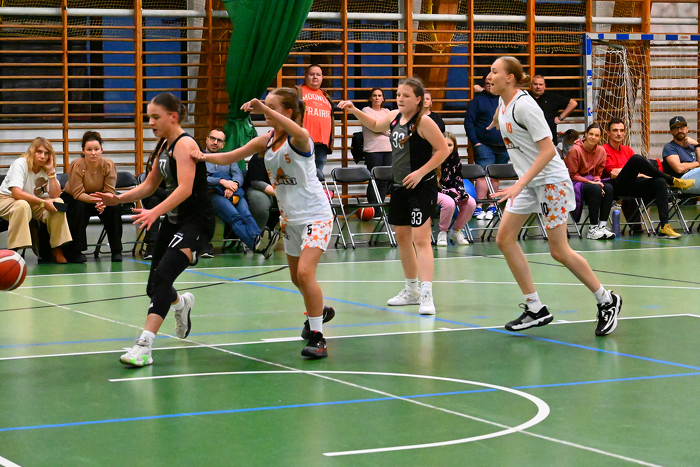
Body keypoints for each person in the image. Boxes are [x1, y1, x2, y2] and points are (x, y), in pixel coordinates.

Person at [192, 88, 335, 359]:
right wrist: (203, 157)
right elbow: (231, 156)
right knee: (296, 278)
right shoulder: (266, 140)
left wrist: (263, 107)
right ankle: (319, 310)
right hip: (290, 218)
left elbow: (297, 130)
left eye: (271, 107)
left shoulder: (301, 138)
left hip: (315, 215)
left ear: (287, 112)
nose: (264, 111)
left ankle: (318, 337)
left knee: (306, 273)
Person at [486, 56, 621, 336]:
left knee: (559, 250)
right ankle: (535, 307)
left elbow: (548, 150)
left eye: (494, 71)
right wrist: (497, 119)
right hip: (530, 182)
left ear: (510, 78)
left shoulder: (525, 106)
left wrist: (518, 184)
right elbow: (504, 114)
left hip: (550, 182)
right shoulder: (503, 101)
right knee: (504, 239)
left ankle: (606, 300)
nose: (489, 76)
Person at [94, 92, 218, 367]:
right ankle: (181, 304)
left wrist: (154, 211)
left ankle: (144, 345)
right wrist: (117, 199)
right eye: (148, 117)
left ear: (173, 117)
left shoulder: (185, 145)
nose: (149, 122)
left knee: (163, 276)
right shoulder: (164, 146)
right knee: (154, 287)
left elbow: (185, 189)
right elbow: (149, 185)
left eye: (155, 117)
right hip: (174, 221)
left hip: (196, 222)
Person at [339, 77, 450, 315]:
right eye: (398, 94)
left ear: (418, 99)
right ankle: (412, 290)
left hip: (421, 186)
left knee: (421, 239)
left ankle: (427, 293)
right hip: (399, 186)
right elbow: (375, 124)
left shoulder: (424, 122)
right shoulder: (393, 117)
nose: (400, 98)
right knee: (402, 237)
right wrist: (355, 110)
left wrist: (420, 173)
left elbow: (443, 150)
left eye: (406, 95)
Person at [603, 117, 694, 238]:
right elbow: (613, 172)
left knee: (659, 181)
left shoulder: (627, 150)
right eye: (615, 130)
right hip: (616, 187)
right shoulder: (603, 150)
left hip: (632, 185)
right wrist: (632, 170)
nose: (619, 133)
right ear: (608, 133)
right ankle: (671, 180)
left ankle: (664, 226)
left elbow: (637, 170)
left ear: (624, 133)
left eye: (621, 130)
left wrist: (634, 171)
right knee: (636, 159)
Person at [200, 128, 279, 259]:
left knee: (246, 214)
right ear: (207, 139)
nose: (215, 142)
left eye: (219, 140)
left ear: (223, 145)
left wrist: (234, 185)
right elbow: (200, 178)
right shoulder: (200, 158)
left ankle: (259, 242)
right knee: (235, 216)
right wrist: (221, 181)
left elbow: (238, 174)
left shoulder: (229, 157)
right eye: (213, 138)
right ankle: (256, 244)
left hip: (234, 192)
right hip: (213, 194)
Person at [0, 137, 72, 263]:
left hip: (34, 202)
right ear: (32, 152)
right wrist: (43, 203)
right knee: (22, 205)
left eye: (46, 153)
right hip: (7, 199)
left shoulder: (46, 168)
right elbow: (16, 193)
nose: (43, 156)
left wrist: (51, 172)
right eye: (39, 152)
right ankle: (14, 251)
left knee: (58, 204)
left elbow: (56, 195)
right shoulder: (20, 163)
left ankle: (57, 248)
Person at [60, 131, 123, 263]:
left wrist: (104, 202)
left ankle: (116, 250)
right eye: (89, 149)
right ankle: (75, 251)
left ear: (101, 150)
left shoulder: (108, 165)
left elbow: (109, 190)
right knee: (78, 208)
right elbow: (77, 193)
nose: (93, 153)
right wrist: (98, 201)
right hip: (77, 197)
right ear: (83, 151)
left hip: (100, 198)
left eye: (96, 149)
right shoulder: (77, 165)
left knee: (114, 207)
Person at [464, 75, 509, 220]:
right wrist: (475, 142)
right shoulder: (478, 101)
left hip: (503, 145)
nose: (489, 86)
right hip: (484, 144)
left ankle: (492, 205)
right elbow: (469, 122)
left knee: (495, 176)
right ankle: (478, 206)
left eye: (492, 83)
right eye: (487, 84)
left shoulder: (504, 99)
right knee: (482, 175)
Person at [565, 123, 615, 240]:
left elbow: (598, 174)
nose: (593, 137)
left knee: (608, 188)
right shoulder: (575, 150)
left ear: (600, 138)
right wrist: (593, 183)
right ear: (586, 134)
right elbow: (572, 175)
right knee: (595, 188)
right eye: (591, 134)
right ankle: (592, 228)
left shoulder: (601, 151)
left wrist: (597, 181)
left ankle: (602, 226)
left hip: (591, 181)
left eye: (596, 135)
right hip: (576, 183)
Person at [436, 132, 476, 247]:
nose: (447, 148)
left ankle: (456, 231)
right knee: (449, 203)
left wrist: (462, 192)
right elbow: (434, 184)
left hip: (450, 190)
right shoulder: (433, 158)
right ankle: (443, 232)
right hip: (434, 190)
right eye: (444, 144)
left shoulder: (456, 160)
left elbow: (458, 179)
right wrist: (449, 193)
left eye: (450, 145)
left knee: (471, 202)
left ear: (454, 147)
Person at [296, 64, 336, 171]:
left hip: (322, 143)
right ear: (305, 76)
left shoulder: (326, 96)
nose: (315, 77)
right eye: (312, 74)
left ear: (322, 77)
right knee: (302, 173)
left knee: (318, 175)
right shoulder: (297, 92)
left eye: (318, 75)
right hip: (303, 141)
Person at [361, 87, 392, 204]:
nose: (377, 98)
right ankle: (372, 208)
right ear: (370, 98)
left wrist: (382, 128)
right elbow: (374, 126)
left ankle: (379, 209)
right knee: (374, 179)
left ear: (383, 98)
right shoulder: (366, 111)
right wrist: (385, 129)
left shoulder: (387, 112)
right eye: (374, 95)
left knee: (384, 180)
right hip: (373, 150)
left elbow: (392, 127)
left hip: (388, 149)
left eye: (379, 95)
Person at [529, 74, 578, 145]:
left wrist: (560, 118)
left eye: (540, 84)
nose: (538, 87)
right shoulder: (526, 98)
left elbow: (573, 103)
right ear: (531, 85)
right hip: (529, 138)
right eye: (535, 84)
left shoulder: (552, 97)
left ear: (544, 86)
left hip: (549, 138)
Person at [661, 116, 700, 194]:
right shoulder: (669, 147)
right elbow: (679, 168)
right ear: (671, 131)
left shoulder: (693, 146)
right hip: (682, 181)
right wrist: (698, 163)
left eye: (682, 127)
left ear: (687, 129)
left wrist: (697, 145)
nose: (679, 130)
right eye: (676, 128)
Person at [243, 152, 279, 230]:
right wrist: (280, 194)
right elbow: (256, 182)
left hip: (284, 191)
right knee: (259, 200)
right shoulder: (260, 156)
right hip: (259, 189)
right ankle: (255, 233)